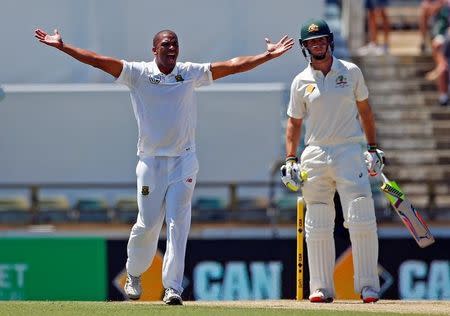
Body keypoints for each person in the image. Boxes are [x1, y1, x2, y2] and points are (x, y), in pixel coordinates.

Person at [34, 28, 294, 305]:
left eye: (176, 44)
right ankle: (134, 273)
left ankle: (172, 288)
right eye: (166, 45)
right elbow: (97, 60)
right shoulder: (137, 73)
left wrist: (266, 57)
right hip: (150, 161)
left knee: (178, 224)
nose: (172, 49)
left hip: (184, 160)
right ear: (154, 49)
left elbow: (231, 66)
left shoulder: (189, 72)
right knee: (147, 224)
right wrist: (63, 47)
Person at [280, 19, 384, 303]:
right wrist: (291, 159)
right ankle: (321, 288)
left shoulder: (350, 72)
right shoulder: (300, 81)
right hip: (314, 152)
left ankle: (367, 286)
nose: (318, 45)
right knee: (318, 220)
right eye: (312, 42)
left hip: (349, 150)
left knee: (361, 216)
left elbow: (366, 112)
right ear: (305, 48)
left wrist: (373, 149)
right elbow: (293, 124)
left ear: (329, 42)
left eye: (322, 40)